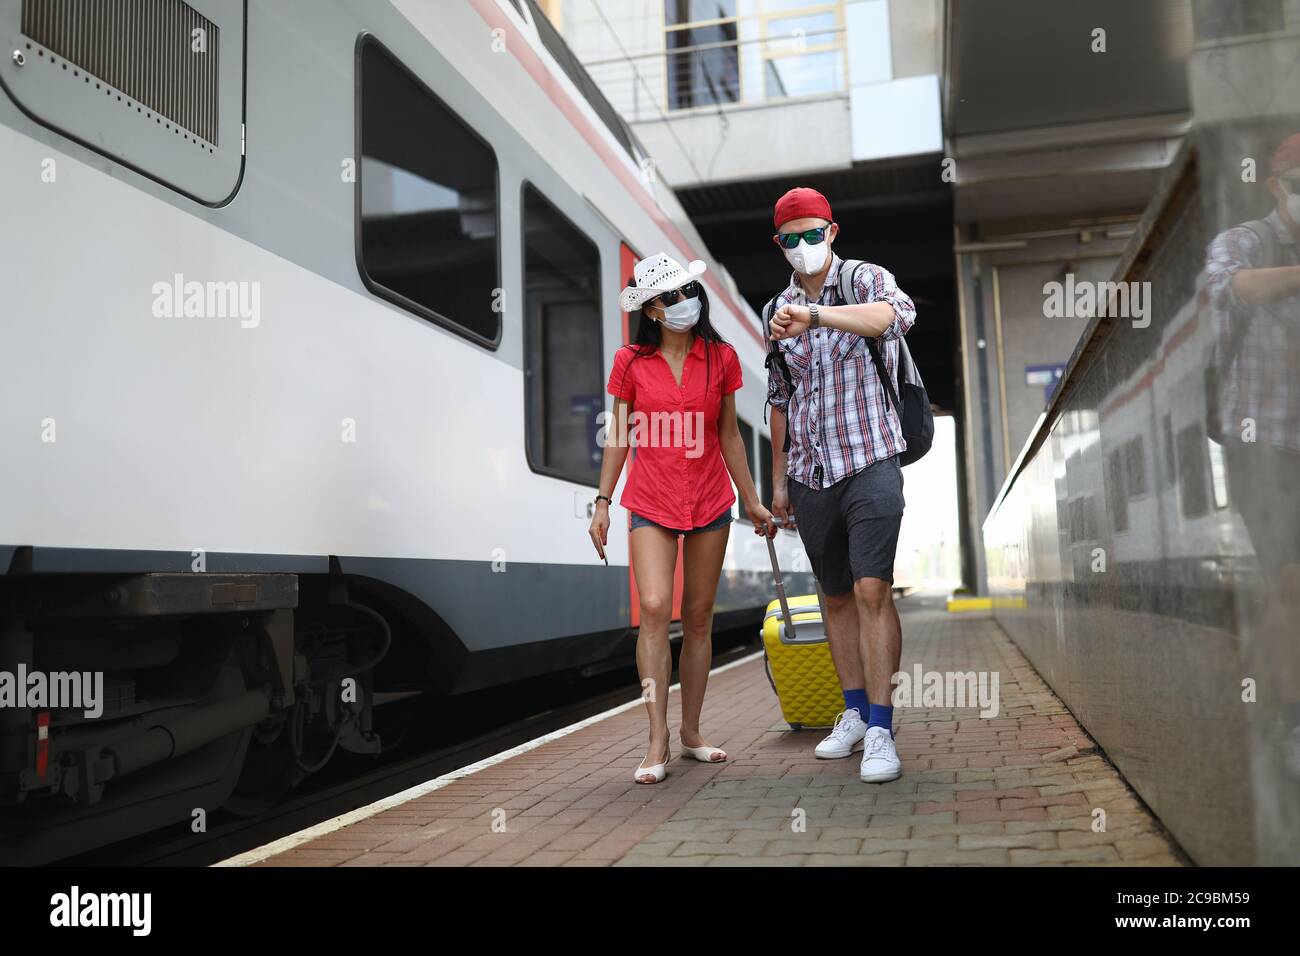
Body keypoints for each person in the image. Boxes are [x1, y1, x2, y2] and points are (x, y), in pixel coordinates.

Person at [589, 252, 776, 784]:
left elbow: (729, 435)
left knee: (697, 618)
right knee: (653, 608)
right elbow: (620, 436)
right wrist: (602, 501)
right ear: (651, 310)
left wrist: (753, 500)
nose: (684, 303)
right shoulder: (630, 362)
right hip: (650, 500)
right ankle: (657, 737)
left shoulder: (721, 358)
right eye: (670, 297)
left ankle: (692, 731)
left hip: (710, 502)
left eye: (687, 292)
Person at [764, 187, 917, 784]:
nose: (803, 246)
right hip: (809, 471)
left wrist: (818, 315)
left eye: (812, 233)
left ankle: (881, 727)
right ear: (778, 245)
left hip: (872, 456)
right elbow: (780, 398)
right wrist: (779, 483)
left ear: (832, 232)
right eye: (790, 238)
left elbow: (894, 317)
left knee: (873, 588)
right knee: (834, 597)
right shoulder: (775, 309)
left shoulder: (862, 279)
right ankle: (852, 713)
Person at [1203, 133, 1300, 780]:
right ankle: (1292, 723)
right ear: (1277, 185)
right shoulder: (1246, 239)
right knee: (1291, 582)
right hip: (1264, 441)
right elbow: (1227, 288)